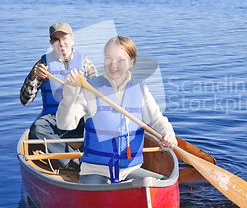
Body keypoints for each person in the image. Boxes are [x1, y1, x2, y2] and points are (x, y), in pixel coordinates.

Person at [56, 35, 177, 184]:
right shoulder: (90, 89)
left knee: (161, 183)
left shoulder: (140, 90)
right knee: (96, 189)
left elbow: (157, 120)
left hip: (130, 170)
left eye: (120, 60)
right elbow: (64, 125)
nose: (113, 64)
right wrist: (68, 96)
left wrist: (168, 133)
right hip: (96, 170)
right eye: (108, 58)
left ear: (131, 62)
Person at [20, 23, 98, 169]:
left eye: (64, 38)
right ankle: (74, 162)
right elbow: (25, 100)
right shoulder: (43, 65)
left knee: (100, 120)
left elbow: (99, 96)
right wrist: (33, 76)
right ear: (51, 43)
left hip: (78, 118)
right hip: (53, 120)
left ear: (72, 39)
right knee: (37, 129)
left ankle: (91, 155)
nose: (61, 43)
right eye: (56, 39)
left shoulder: (86, 64)